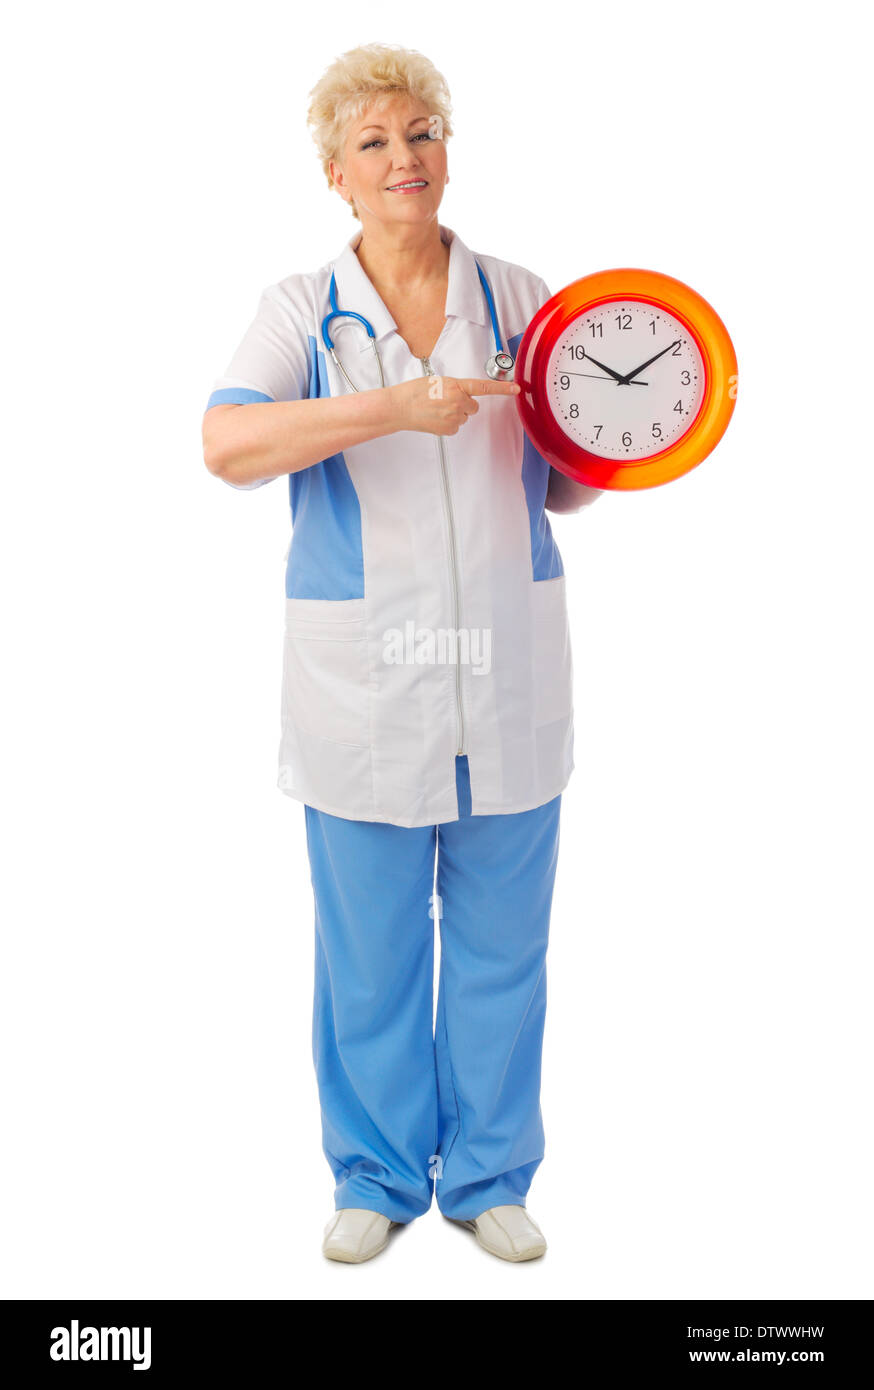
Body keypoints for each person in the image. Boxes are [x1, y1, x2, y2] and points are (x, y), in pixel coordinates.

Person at [202, 42, 602, 1264]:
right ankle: (374, 1175)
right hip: (365, 683)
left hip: (506, 666)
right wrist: (387, 405)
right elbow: (226, 445)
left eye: (420, 132)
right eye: (373, 141)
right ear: (336, 172)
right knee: (369, 952)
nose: (402, 158)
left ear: (446, 150)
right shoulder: (296, 311)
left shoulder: (526, 298)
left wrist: (615, 448)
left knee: (501, 946)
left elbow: (567, 486)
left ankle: (488, 1177)